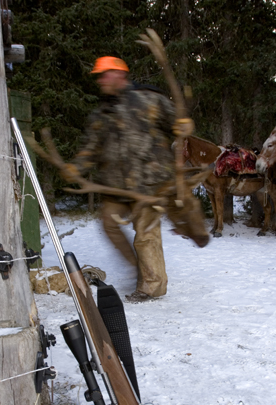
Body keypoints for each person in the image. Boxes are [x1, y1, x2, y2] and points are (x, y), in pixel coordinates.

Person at [65, 56, 194, 303]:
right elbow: (91, 148)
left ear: (119, 75)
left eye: (105, 74)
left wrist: (184, 125)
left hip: (149, 183)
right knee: (109, 224)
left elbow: (175, 123)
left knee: (146, 234)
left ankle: (152, 286)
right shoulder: (102, 113)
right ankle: (141, 268)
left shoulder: (148, 99)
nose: (101, 80)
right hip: (116, 185)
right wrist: (76, 167)